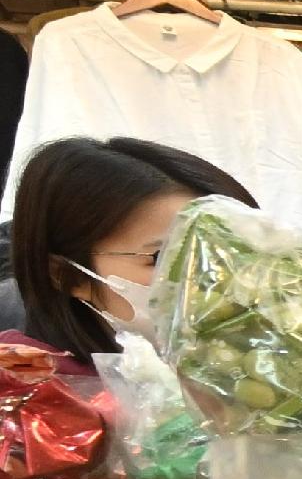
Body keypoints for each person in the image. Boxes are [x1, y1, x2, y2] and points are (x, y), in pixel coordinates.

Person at [6, 134, 249, 365]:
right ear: (69, 276)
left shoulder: (254, 370)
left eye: (235, 250)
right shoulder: (27, 386)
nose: (216, 276)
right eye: (164, 257)